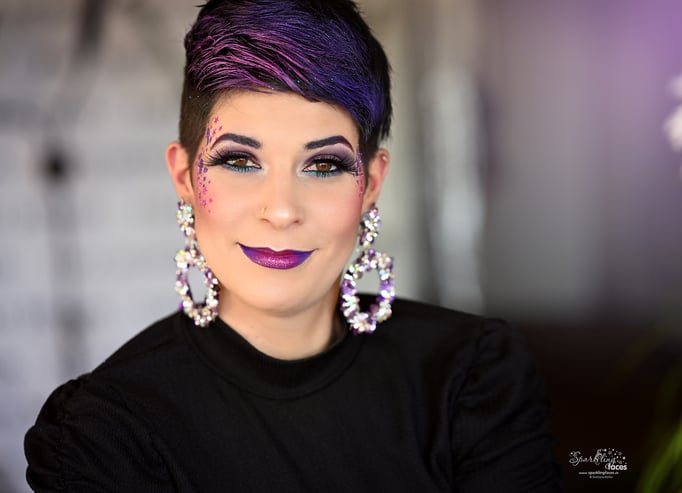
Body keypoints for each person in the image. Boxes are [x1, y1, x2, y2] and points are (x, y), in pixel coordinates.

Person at [24, 0, 560, 491]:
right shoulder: (103, 433)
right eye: (239, 161)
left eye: (324, 165)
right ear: (185, 177)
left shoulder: (472, 379)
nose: (281, 211)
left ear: (371, 185)